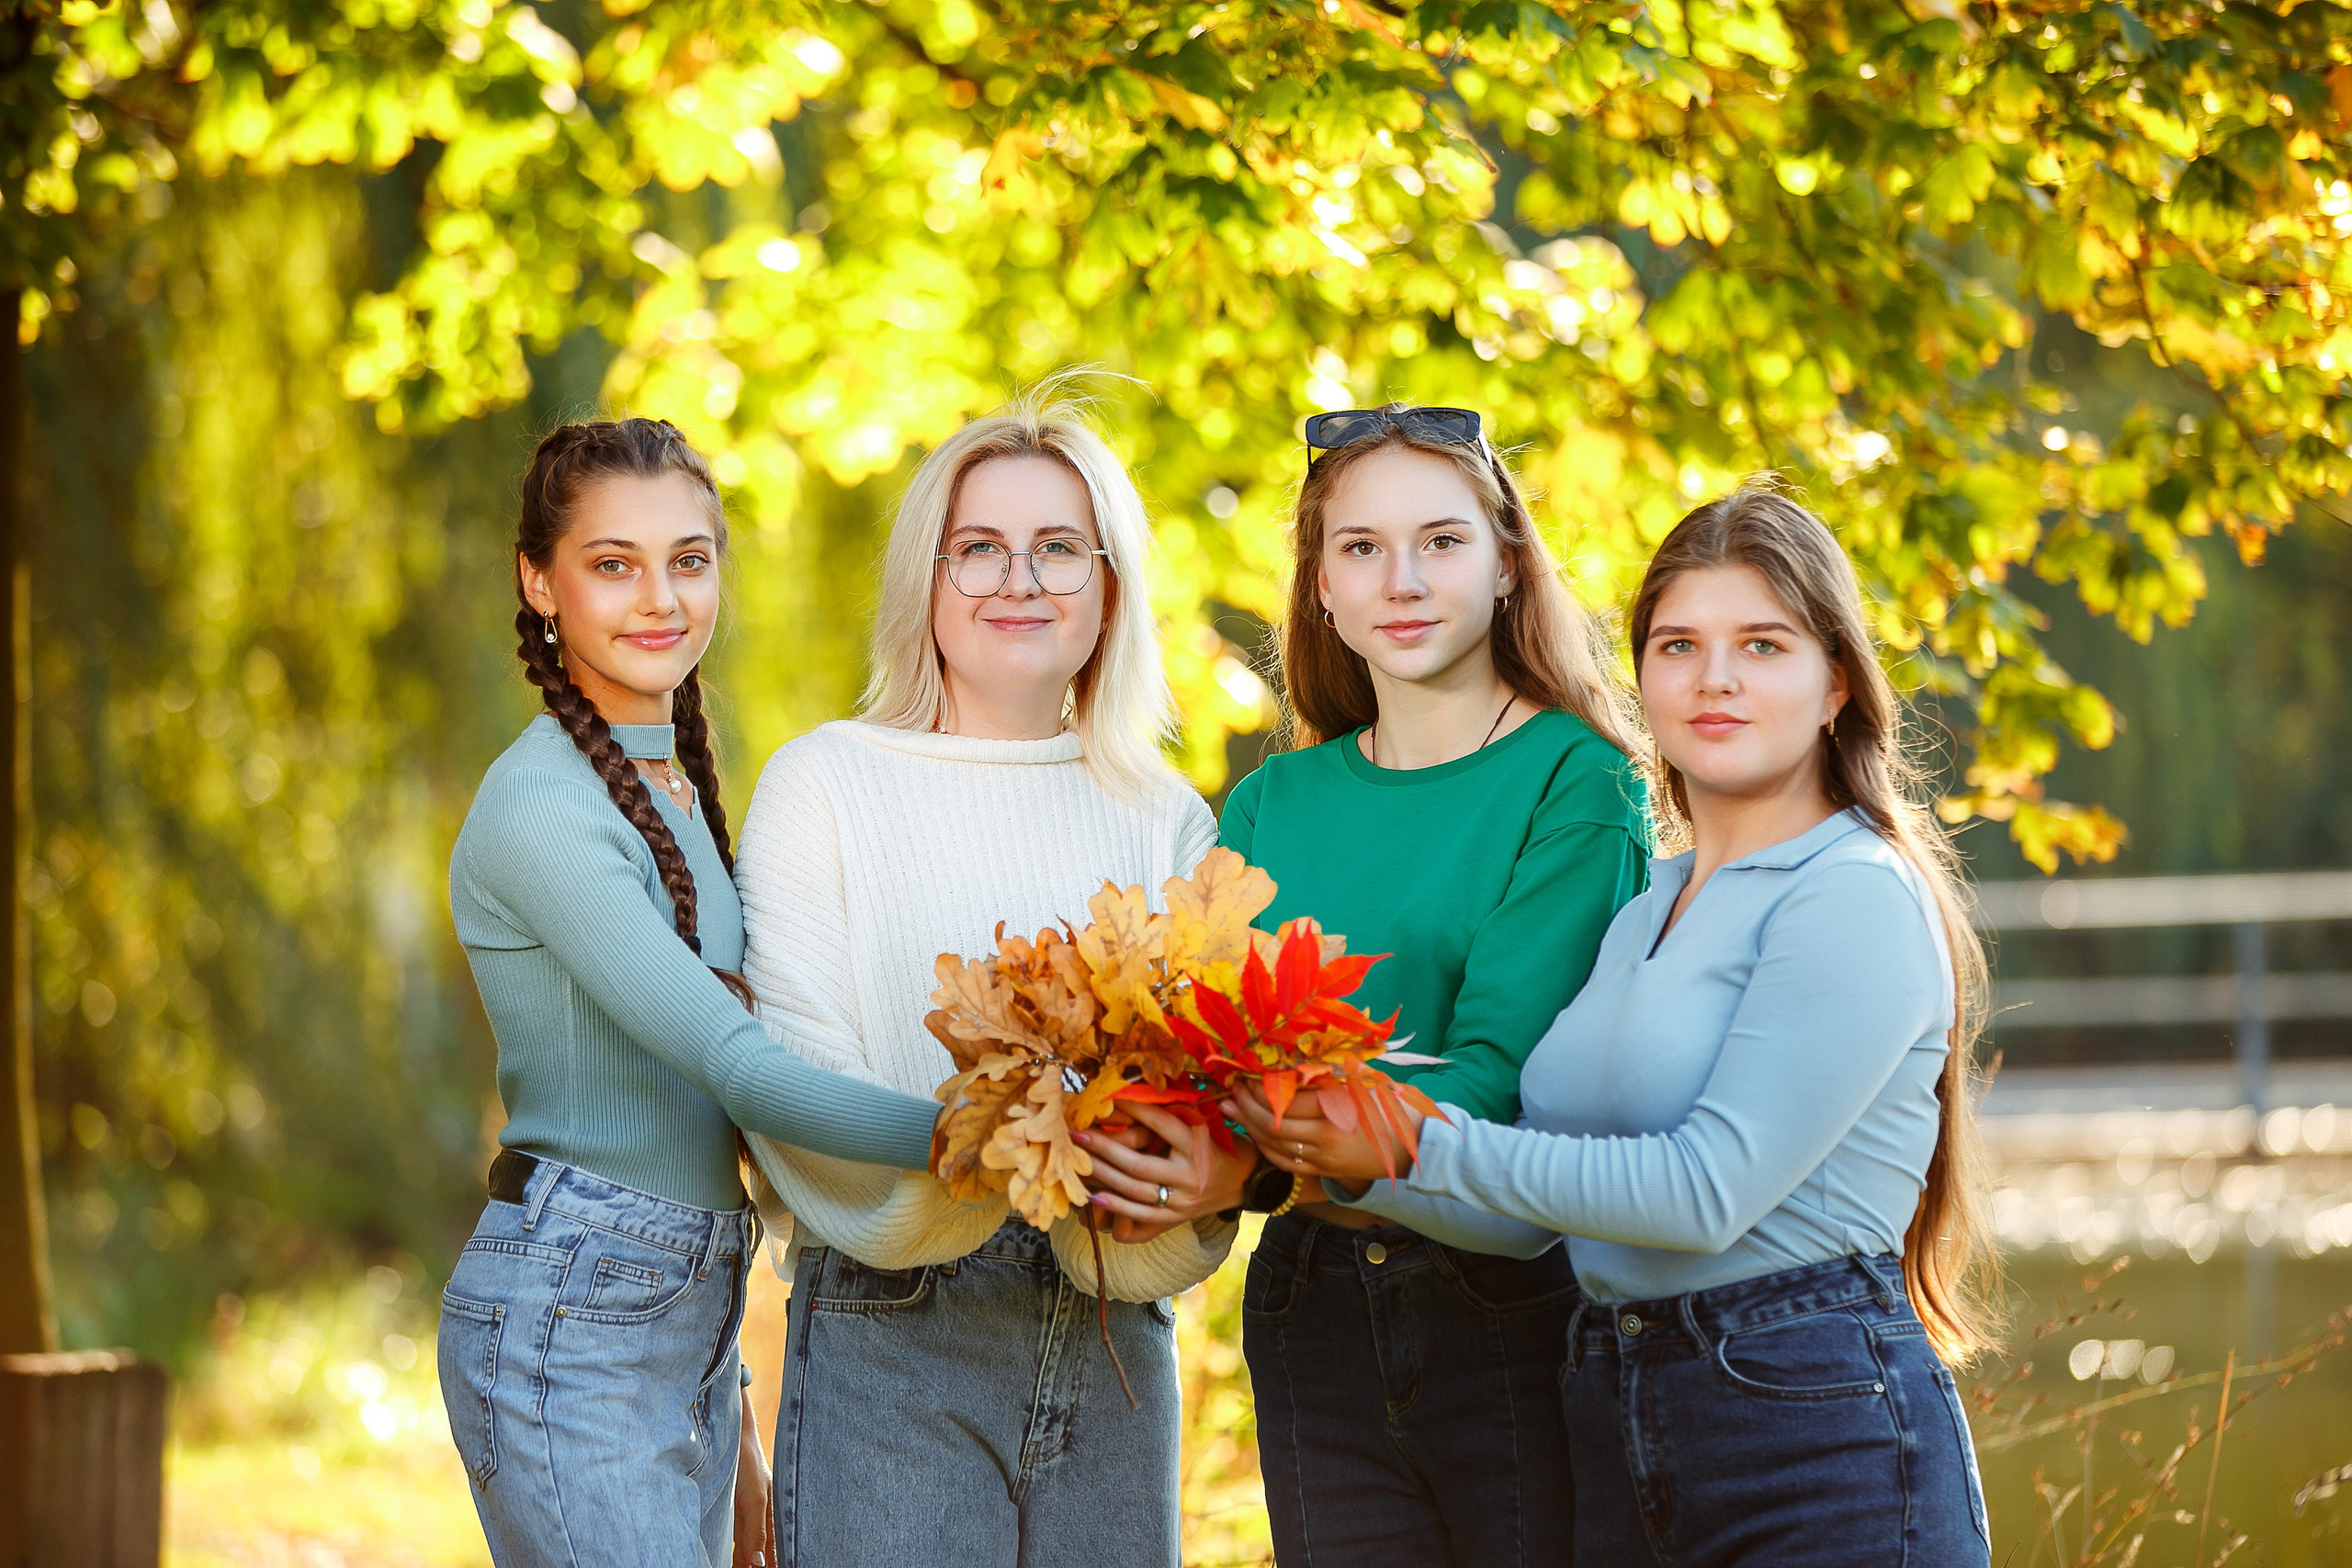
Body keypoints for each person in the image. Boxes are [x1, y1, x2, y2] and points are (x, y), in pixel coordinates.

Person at [1251, 484, 1998, 1567]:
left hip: (1812, 1429)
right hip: (1616, 1408)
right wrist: (1321, 1156)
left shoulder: (1849, 891)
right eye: (1678, 645)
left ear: (1836, 680)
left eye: (1763, 645)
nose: (1715, 681)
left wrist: (1408, 1141)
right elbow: (1543, 1205)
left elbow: (1702, 1194)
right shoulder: (1650, 903)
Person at [1090, 404, 1648, 1566]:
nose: (1401, 580)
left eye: (1441, 542)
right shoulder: (1267, 806)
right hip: (1311, 1305)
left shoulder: (1575, 780)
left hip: (1502, 1304)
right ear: (1322, 590)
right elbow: (1211, 1066)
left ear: (1506, 566)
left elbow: (1495, 1090)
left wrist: (1252, 1158)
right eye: (1360, 548)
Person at [729, 387, 1236, 1568]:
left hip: (1115, 1328)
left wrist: (1145, 1211)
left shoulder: (1168, 821)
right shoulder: (824, 786)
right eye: (981, 549)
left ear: (1109, 585)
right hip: (893, 1320)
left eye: (1060, 548)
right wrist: (1006, 1159)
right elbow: (804, 1096)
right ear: (927, 578)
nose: (1020, 580)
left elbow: (1197, 1132)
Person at [441, 418, 950, 1568]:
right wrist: (983, 1136)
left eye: (689, 559)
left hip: (672, 1309)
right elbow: (736, 1068)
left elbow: (698, 1141)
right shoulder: (541, 809)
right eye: (611, 564)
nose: (659, 597)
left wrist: (737, 1426)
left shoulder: (666, 778)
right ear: (539, 581)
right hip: (569, 1315)